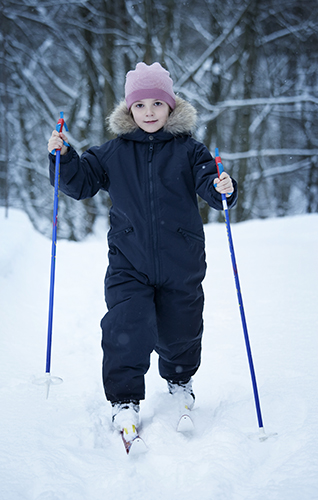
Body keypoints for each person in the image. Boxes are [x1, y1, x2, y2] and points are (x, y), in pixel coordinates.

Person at [48, 62, 238, 439]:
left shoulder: (190, 151)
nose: (148, 112)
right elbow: (80, 184)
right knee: (126, 326)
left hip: (180, 261)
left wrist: (223, 187)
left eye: (156, 103)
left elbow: (211, 188)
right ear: (128, 110)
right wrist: (64, 158)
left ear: (171, 107)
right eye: (140, 105)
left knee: (180, 330)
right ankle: (124, 399)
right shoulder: (110, 153)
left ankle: (180, 381)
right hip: (129, 262)